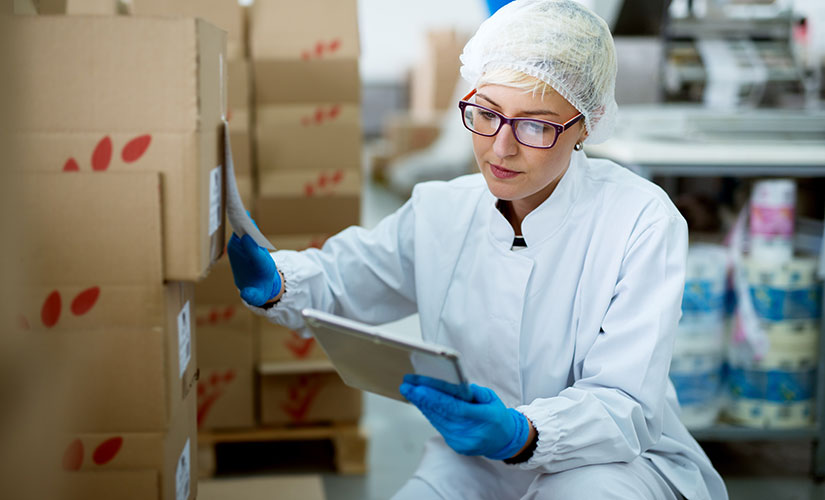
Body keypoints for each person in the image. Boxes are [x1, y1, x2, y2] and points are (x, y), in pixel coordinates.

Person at [228, 0, 728, 498]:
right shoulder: (442, 208)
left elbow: (625, 404)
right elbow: (350, 277)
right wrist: (281, 281)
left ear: (587, 124)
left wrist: (521, 433)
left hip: (608, 463)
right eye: (487, 113)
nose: (501, 147)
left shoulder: (639, 220)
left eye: (535, 125)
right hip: (472, 462)